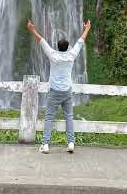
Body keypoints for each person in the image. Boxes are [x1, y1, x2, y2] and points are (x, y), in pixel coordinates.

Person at [26, 19, 91, 154]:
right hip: (67, 91)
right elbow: (81, 41)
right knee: (69, 116)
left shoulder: (53, 55)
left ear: (57, 46)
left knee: (49, 117)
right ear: (67, 48)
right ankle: (71, 143)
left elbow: (41, 41)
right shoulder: (71, 55)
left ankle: (45, 145)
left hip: (54, 91)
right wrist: (87, 29)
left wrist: (32, 30)